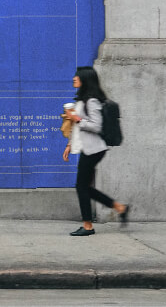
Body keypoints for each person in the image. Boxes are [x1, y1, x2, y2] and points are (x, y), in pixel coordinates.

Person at [63, 66, 130, 236]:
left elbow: (96, 125)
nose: (74, 79)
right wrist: (69, 145)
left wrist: (77, 118)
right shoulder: (82, 99)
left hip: (94, 149)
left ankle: (87, 226)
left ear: (85, 80)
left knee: (81, 186)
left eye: (77, 77)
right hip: (88, 148)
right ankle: (120, 208)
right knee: (84, 186)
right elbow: (77, 129)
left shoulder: (91, 101)